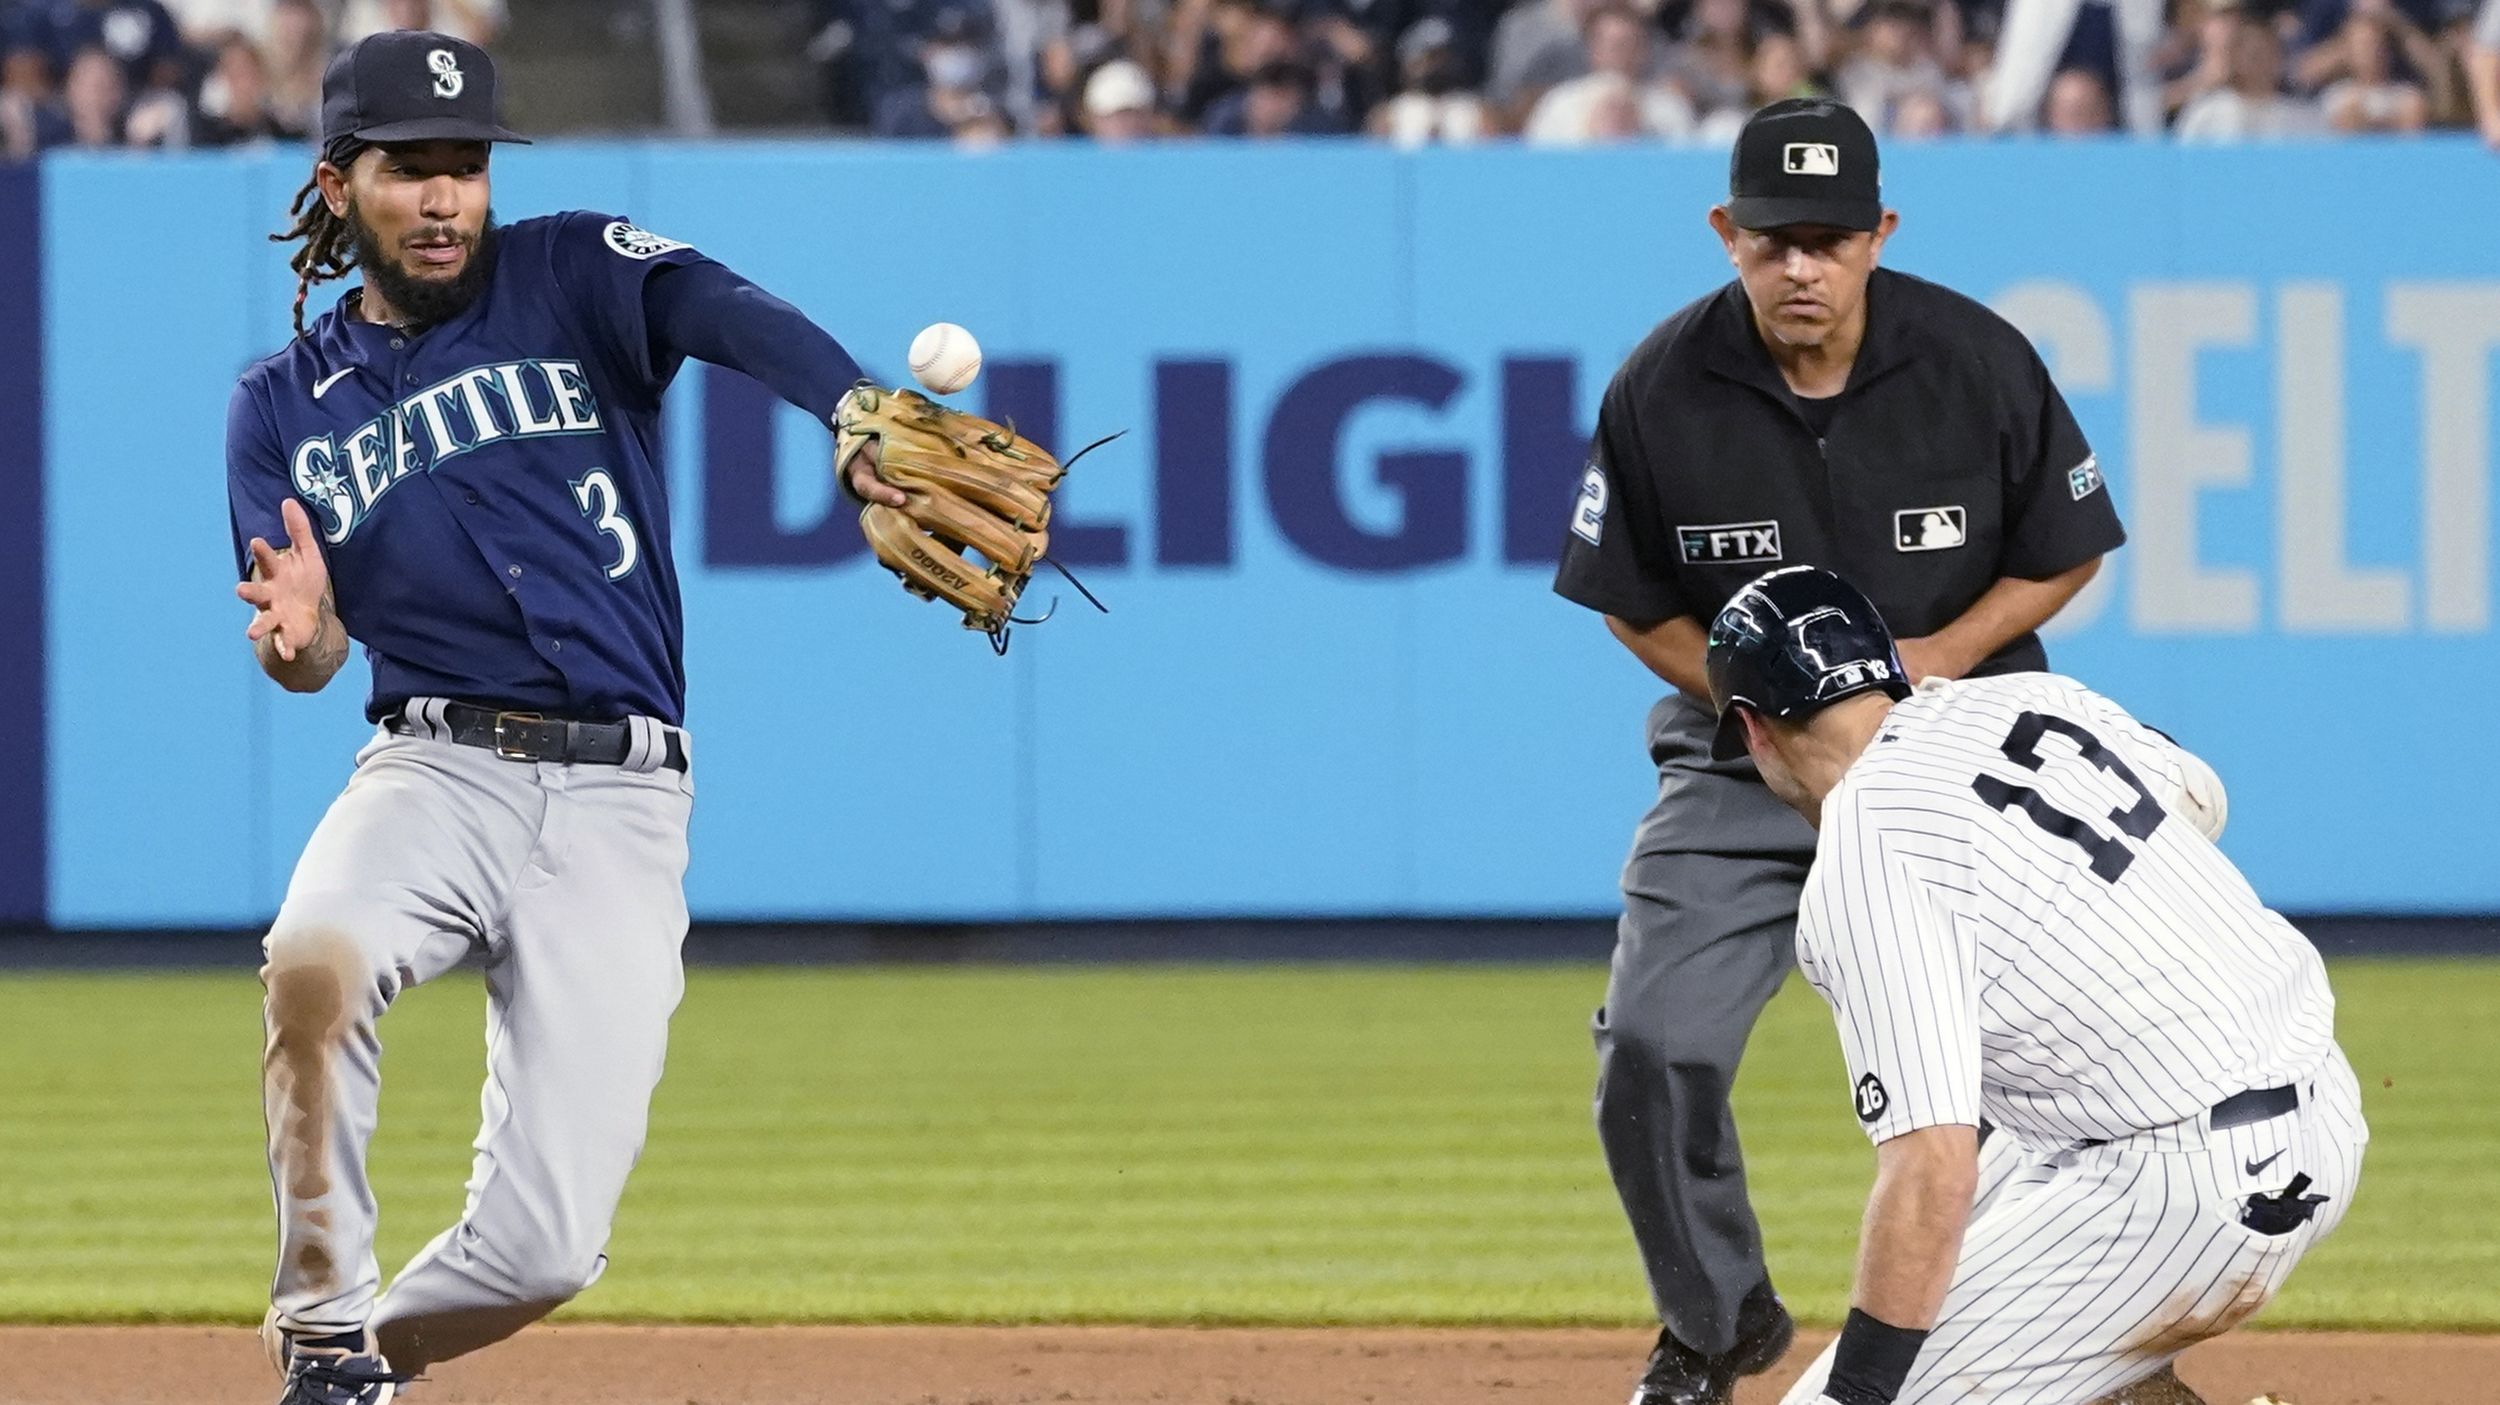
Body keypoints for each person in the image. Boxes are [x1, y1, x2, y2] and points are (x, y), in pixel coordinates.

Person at [226, 30, 908, 1405]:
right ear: (338, 181)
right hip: (432, 767)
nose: (442, 198)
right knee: (316, 955)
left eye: (463, 167)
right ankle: (318, 1325)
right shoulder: (278, 405)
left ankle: (366, 1363)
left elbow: (727, 309)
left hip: (622, 796)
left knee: (544, 1251)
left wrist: (850, 409)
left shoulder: (574, 268)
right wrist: (301, 647)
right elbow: (304, 650)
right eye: (408, 169)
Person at [1550, 97, 2124, 1405]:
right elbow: (1633, 599)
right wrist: (1768, 706)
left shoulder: (1976, 358)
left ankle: (2035, 1339)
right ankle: (1714, 1325)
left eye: (1828, 237)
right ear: (1724, 235)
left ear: (1880, 233)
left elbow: (2066, 546)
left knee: (2043, 1071)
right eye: (1772, 240)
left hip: (1957, 757)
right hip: (1743, 770)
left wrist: (1935, 656)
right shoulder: (1660, 387)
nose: (1800, 266)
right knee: (1651, 1044)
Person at [1690, 565, 2365, 1405]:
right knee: (2004, 1173)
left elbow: (1930, 1169)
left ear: (1753, 729)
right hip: (2322, 1108)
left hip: (2188, 1191)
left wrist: (1859, 1394)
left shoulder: (1865, 858)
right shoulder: (2029, 700)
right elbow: (2204, 799)